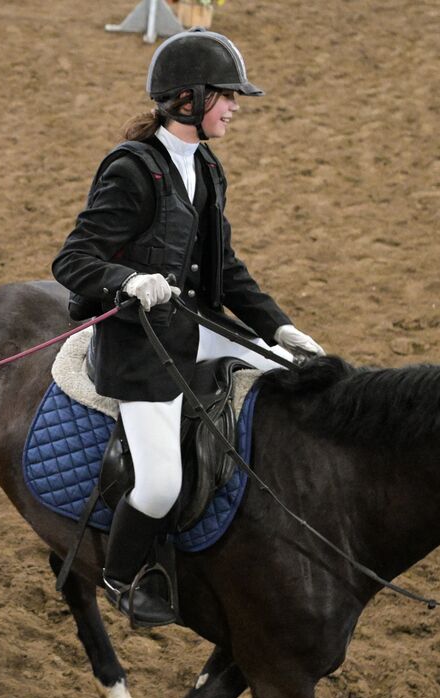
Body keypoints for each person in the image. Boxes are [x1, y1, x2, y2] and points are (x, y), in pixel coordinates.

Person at [52, 29, 325, 627]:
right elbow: (72, 260)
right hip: (139, 349)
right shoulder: (132, 171)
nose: (234, 107)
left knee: (298, 376)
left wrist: (280, 330)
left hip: (193, 324)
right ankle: (123, 577)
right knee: (157, 488)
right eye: (226, 96)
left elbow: (225, 266)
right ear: (188, 99)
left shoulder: (206, 165)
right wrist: (127, 281)